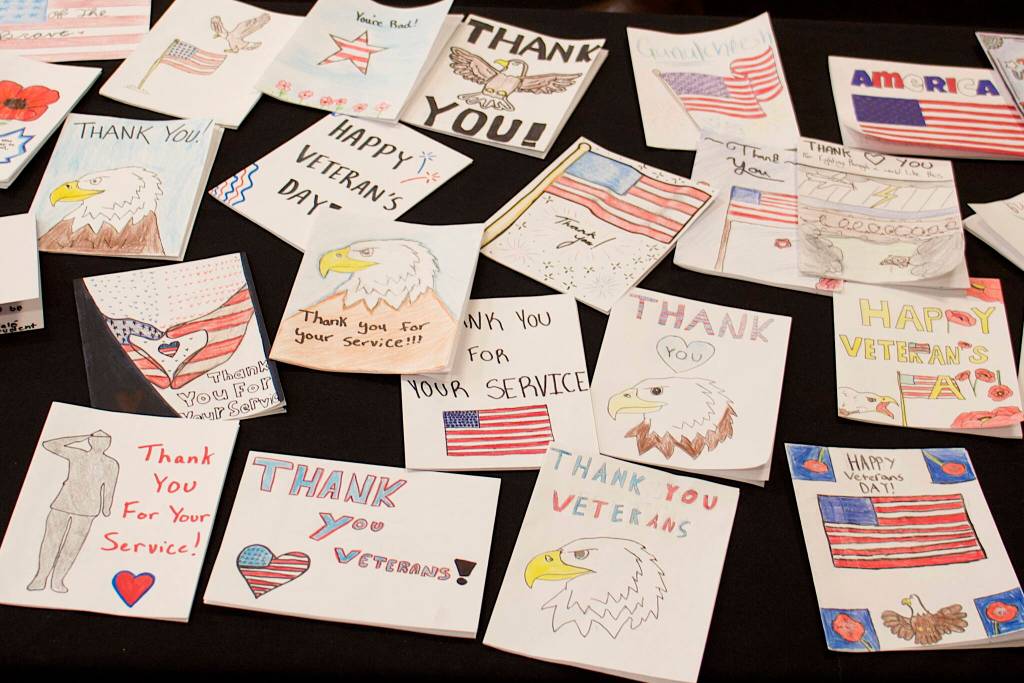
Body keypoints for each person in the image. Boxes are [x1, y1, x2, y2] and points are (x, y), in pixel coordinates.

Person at [27, 430, 119, 593]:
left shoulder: (111, 464)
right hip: (63, 503)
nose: (103, 443)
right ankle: (40, 577)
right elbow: (50, 445)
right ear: (91, 441)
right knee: (51, 541)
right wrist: (79, 437)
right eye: (98, 440)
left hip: (88, 509)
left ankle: (58, 580)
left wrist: (106, 507)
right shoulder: (77, 455)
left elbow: (109, 489)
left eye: (106, 440)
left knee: (72, 546)